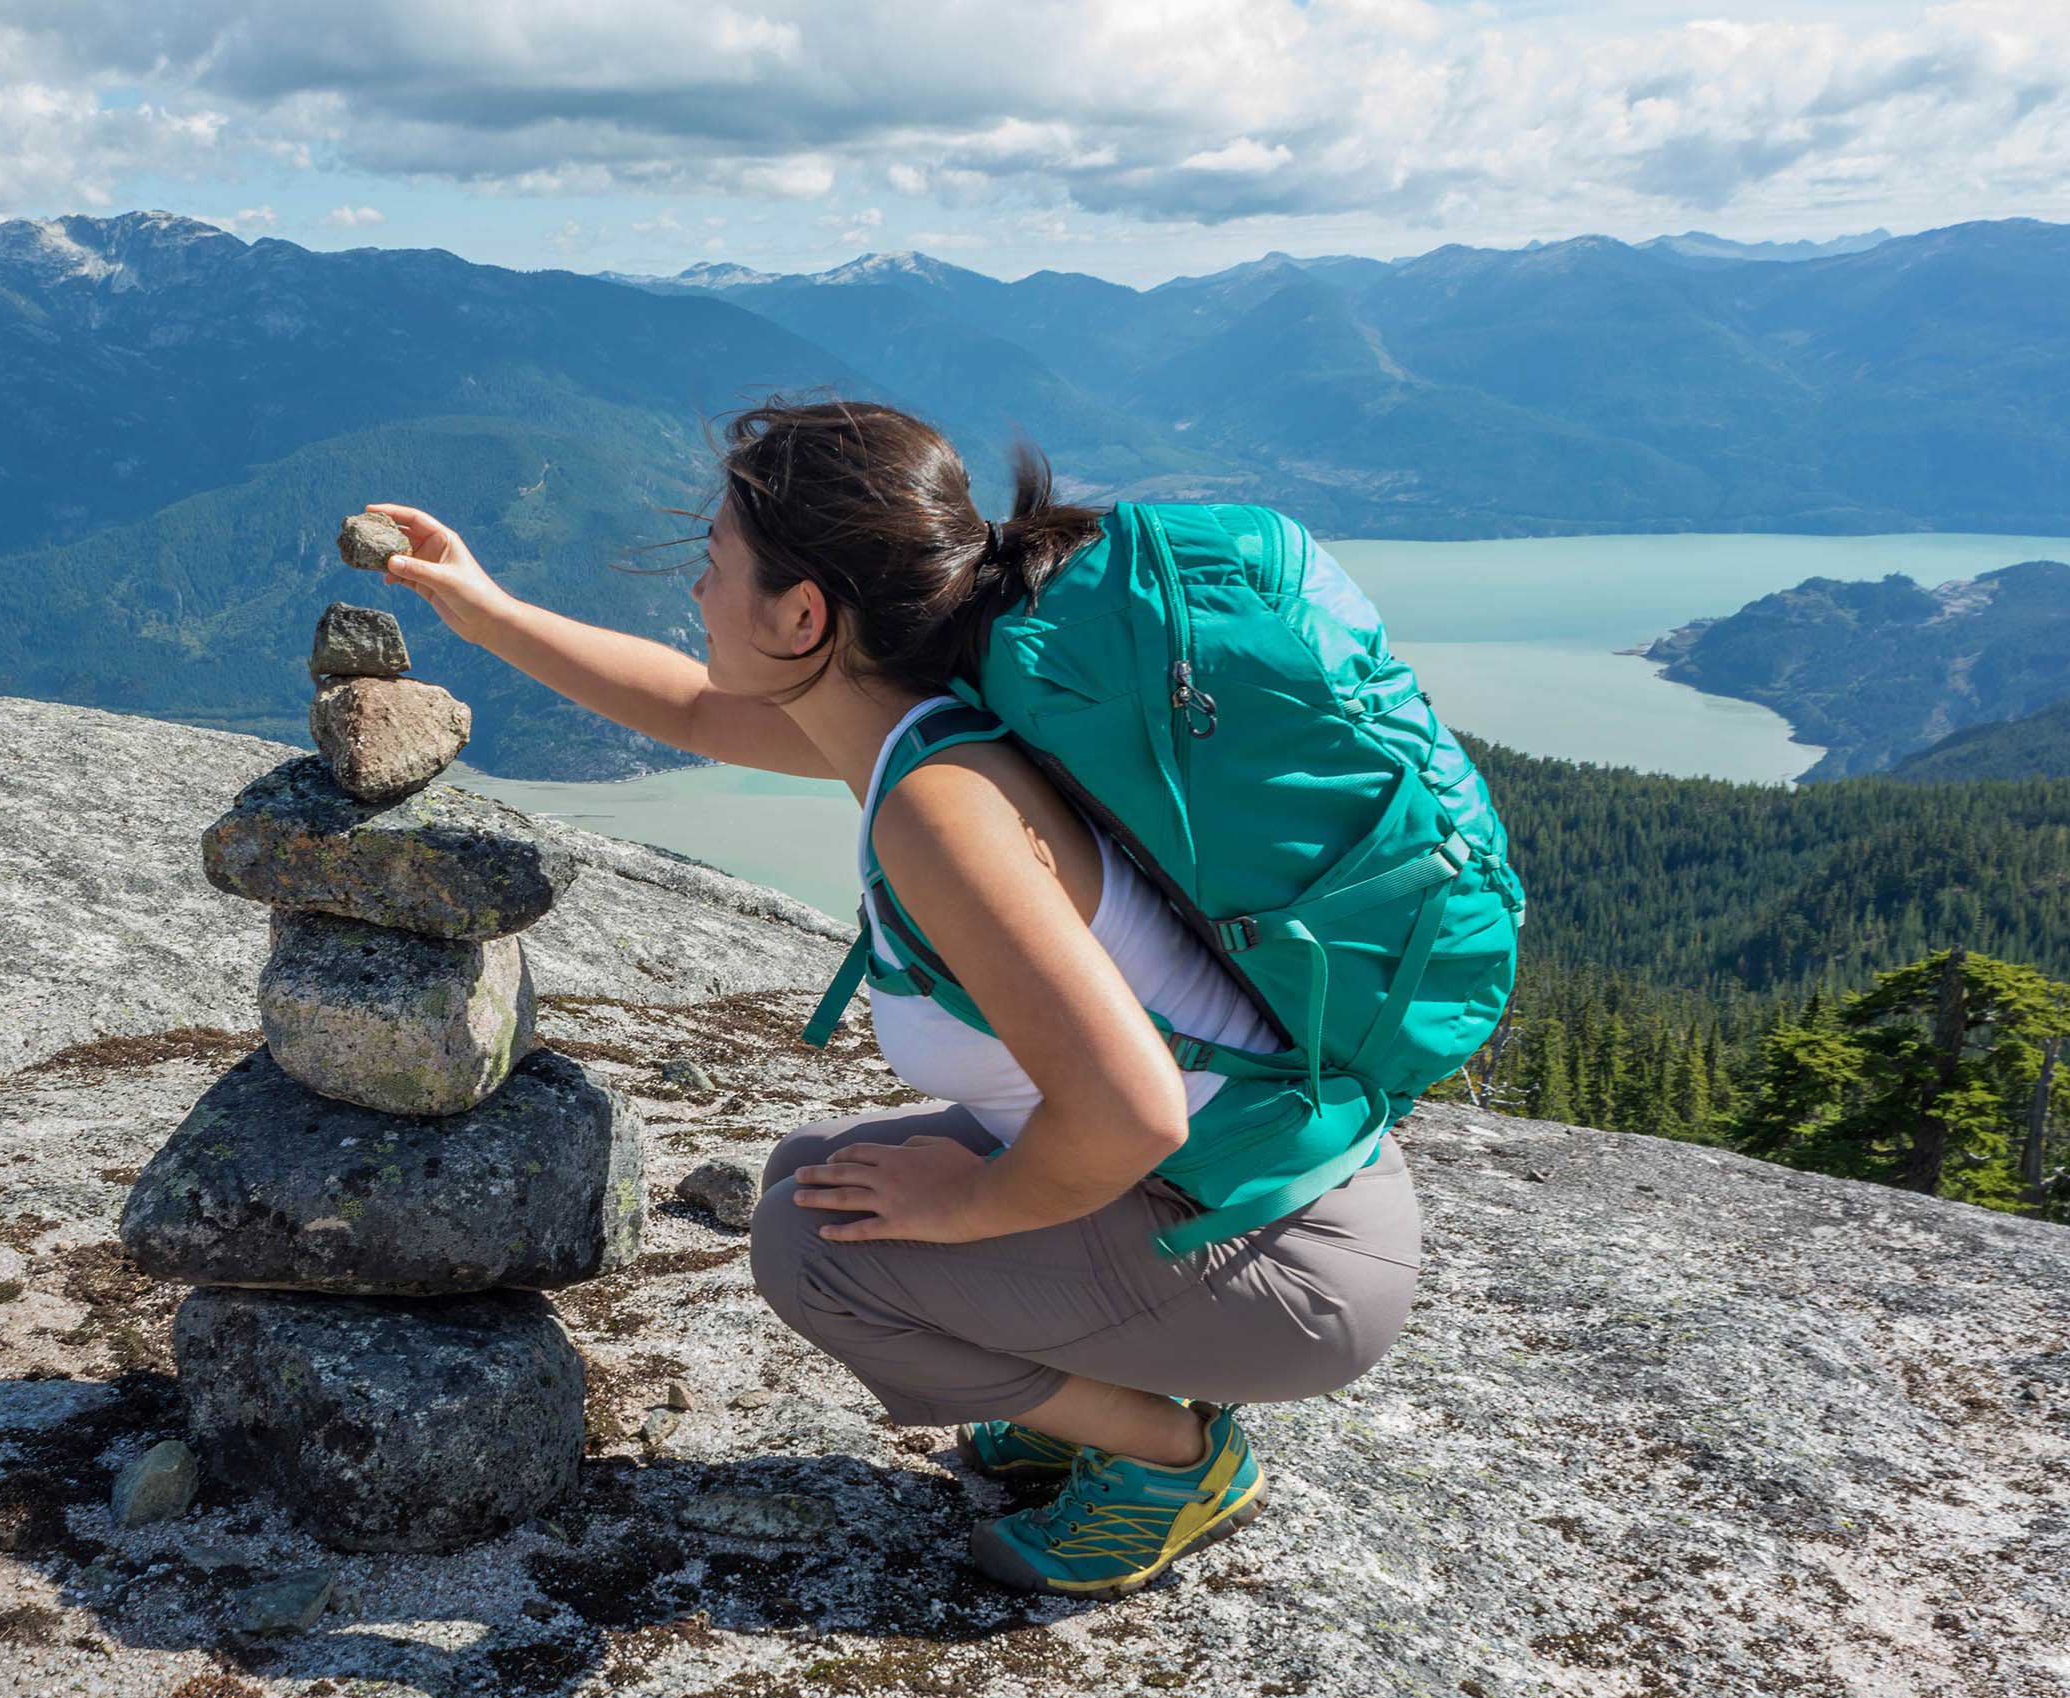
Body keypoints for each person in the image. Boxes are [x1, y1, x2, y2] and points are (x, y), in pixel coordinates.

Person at [365, 400, 1422, 1599]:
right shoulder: (922, 724)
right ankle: (1092, 1396)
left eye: (714, 569)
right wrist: (483, 607)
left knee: (815, 1249)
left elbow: (1133, 1112)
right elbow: (690, 706)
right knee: (812, 1170)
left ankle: (1176, 1457)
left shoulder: (942, 809)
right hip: (1258, 1200)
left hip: (1293, 1264)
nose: (696, 598)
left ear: (804, 614)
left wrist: (970, 1208)